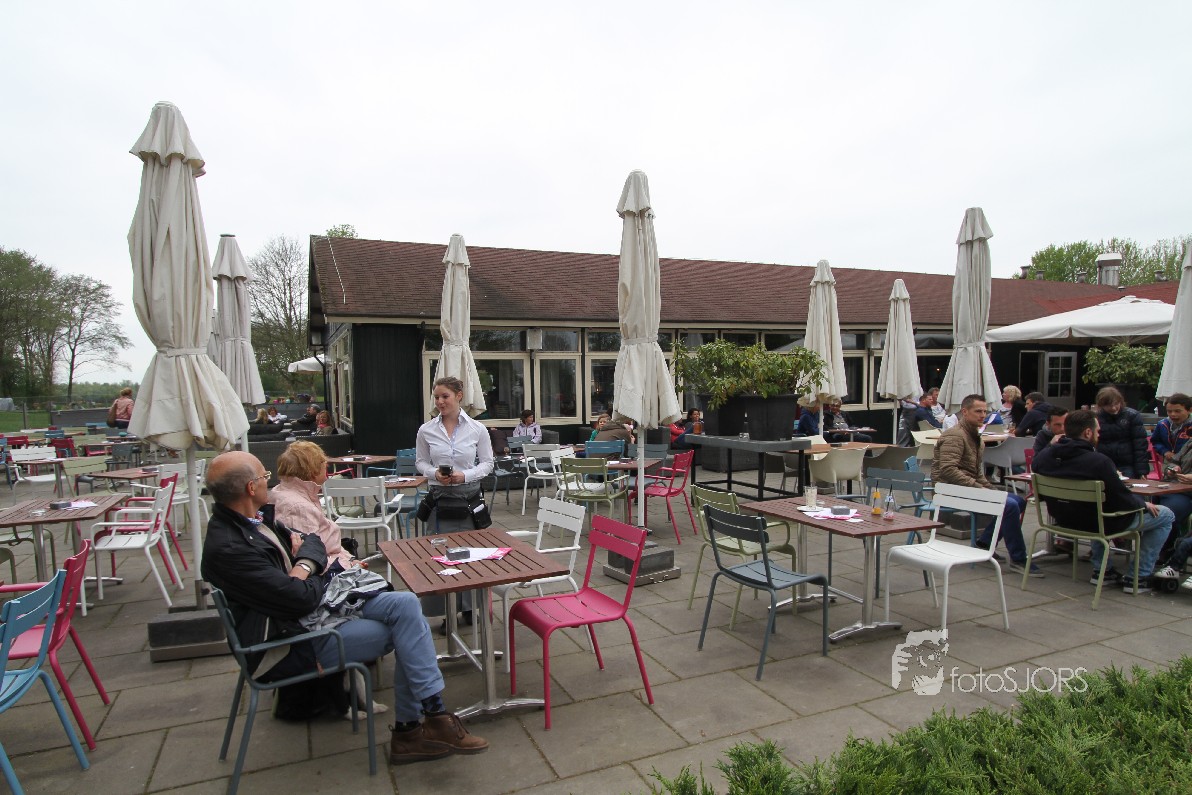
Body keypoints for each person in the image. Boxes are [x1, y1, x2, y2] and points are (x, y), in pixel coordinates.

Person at [200, 450, 489, 765]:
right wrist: (308, 565)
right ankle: (417, 726)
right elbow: (301, 593)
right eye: (264, 476)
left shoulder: (255, 522)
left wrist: (304, 565)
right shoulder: (231, 547)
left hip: (311, 612)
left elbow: (311, 545)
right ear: (250, 488)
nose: (270, 482)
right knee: (408, 631)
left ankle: (427, 721)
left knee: (406, 604)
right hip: (286, 644)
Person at [1033, 410, 1173, 593]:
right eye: (1097, 431)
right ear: (1088, 432)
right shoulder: (1099, 462)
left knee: (1096, 508)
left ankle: (1103, 571)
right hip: (1098, 523)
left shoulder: (1044, 457)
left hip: (1063, 520)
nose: (1099, 434)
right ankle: (1138, 577)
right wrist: (1143, 504)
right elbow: (1121, 500)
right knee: (1166, 515)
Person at [931, 394, 1042, 577]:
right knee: (1009, 505)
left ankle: (984, 543)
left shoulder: (975, 436)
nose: (983, 415)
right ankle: (1019, 559)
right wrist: (978, 487)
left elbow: (977, 473)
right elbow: (948, 470)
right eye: (978, 411)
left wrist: (989, 488)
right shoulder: (955, 436)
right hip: (949, 490)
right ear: (965, 412)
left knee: (1019, 501)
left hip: (966, 488)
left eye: (984, 411)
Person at [415, 376, 494, 625]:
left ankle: (470, 608)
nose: (439, 401)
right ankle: (447, 612)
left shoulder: (477, 429)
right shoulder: (426, 430)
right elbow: (421, 462)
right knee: (441, 555)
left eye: (445, 396)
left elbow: (488, 464)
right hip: (439, 501)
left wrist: (464, 475)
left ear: (459, 396)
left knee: (470, 554)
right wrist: (433, 473)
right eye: (436, 397)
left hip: (468, 500)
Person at [1093, 386, 1149, 479]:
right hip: (1104, 463)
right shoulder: (1096, 418)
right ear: (1101, 405)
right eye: (1108, 405)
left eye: (1116, 404)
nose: (1113, 408)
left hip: (1127, 464)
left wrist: (1141, 471)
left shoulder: (1132, 415)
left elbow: (1140, 445)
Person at [1151, 393, 1191, 462]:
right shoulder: (1162, 424)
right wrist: (1165, 451)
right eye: (1169, 411)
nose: (1173, 414)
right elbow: (1155, 441)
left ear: (1189, 410)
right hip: (1170, 461)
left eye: (1177, 411)